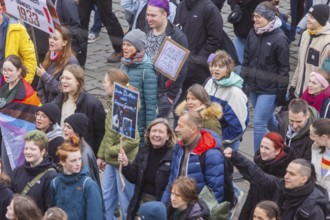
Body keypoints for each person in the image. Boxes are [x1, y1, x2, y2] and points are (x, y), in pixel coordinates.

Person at [223, 147, 330, 219]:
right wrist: (235, 156)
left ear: (303, 179)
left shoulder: (312, 209)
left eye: (292, 174)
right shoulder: (281, 185)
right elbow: (258, 175)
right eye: (287, 172)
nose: (286, 176)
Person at [241, 1, 290, 152]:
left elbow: (284, 68)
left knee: (259, 124)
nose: (255, 19)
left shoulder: (280, 39)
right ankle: (286, 137)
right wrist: (243, 79)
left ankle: (258, 161)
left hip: (270, 90)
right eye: (254, 16)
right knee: (268, 120)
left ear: (269, 18)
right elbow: (247, 57)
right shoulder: (253, 32)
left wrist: (281, 93)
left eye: (259, 17)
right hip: (254, 85)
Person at [97, 68, 139, 220]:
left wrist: (110, 151)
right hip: (111, 160)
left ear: (115, 86)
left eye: (106, 82)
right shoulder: (111, 103)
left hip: (124, 162)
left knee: (125, 201)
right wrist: (102, 155)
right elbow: (108, 134)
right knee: (106, 198)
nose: (103, 84)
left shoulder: (126, 108)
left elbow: (133, 140)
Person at [118, 118, 176, 220]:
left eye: (161, 132)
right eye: (153, 131)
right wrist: (126, 165)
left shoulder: (174, 156)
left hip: (161, 203)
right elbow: (134, 178)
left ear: (168, 136)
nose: (156, 134)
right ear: (148, 134)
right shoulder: (144, 151)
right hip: (141, 201)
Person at [161, 111, 225, 204]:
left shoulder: (211, 155)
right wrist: (164, 205)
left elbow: (215, 194)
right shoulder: (179, 147)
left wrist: (198, 215)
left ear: (193, 129)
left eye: (180, 126)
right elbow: (172, 180)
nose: (176, 129)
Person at [145, 0, 188, 118]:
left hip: (162, 93)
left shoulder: (177, 37)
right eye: (148, 15)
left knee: (156, 128)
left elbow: (181, 70)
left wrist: (170, 96)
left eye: (153, 15)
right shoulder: (147, 29)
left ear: (164, 14)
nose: (149, 18)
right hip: (145, 88)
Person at [239, 132, 296, 220]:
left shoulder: (285, 172)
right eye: (261, 146)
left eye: (267, 148)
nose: (262, 151)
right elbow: (251, 194)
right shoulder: (261, 162)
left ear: (277, 151)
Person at [52, 64, 106, 155]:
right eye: (62, 78)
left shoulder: (92, 104)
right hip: (63, 149)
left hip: (82, 152)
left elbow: (101, 133)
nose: (63, 81)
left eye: (68, 78)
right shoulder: (59, 99)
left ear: (78, 81)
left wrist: (99, 156)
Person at [173, 0, 224, 97]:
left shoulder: (210, 8)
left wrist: (198, 60)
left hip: (199, 70)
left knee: (197, 103)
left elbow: (215, 39)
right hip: (182, 67)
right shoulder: (181, 6)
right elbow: (176, 31)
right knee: (180, 107)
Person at [0, 55, 41, 174]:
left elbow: (31, 120)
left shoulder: (27, 94)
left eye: (10, 70)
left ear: (18, 71)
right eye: (4, 70)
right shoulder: (4, 86)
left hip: (15, 138)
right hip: (2, 132)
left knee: (8, 168)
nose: (6, 73)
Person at [204, 50, 249, 150]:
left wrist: (220, 139)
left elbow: (238, 127)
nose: (216, 69)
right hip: (207, 139)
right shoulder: (210, 82)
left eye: (220, 67)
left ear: (228, 69)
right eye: (214, 66)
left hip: (225, 144)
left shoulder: (235, 93)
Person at [120, 29, 157, 144]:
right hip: (123, 122)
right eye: (124, 44)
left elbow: (151, 105)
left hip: (138, 127)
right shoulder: (123, 65)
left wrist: (149, 131)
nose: (124, 48)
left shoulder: (147, 71)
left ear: (138, 48)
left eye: (129, 45)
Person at [50, 138, 103, 220]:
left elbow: (95, 216)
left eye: (79, 159)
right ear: (63, 162)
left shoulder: (88, 185)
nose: (78, 163)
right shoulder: (54, 183)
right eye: (73, 160)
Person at [11, 130, 57, 213]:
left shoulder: (51, 176)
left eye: (32, 149)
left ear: (43, 151)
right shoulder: (17, 171)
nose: (28, 152)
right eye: (26, 148)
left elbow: (50, 207)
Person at [289, 4, 330, 98]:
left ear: (320, 20)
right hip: (299, 91)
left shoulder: (327, 43)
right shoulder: (305, 34)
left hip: (314, 94)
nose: (307, 19)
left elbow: (324, 73)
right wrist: (293, 85)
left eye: (312, 17)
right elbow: (300, 64)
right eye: (308, 15)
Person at [36, 27, 79, 104]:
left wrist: (44, 75)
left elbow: (63, 88)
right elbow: (40, 86)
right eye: (50, 37)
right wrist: (44, 105)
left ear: (64, 43)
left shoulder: (71, 62)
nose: (51, 41)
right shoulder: (50, 54)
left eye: (55, 39)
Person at [0, 0, 37, 84]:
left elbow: (30, 58)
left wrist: (24, 84)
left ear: (1, 9)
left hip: (9, 85)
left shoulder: (17, 29)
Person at [63, 114, 100, 185]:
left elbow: (86, 180)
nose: (65, 129)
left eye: (69, 127)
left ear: (77, 131)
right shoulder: (69, 144)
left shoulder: (84, 153)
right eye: (64, 126)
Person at [310, 118, 330, 197]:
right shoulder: (316, 148)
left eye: (312, 135)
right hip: (317, 195)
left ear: (323, 137)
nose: (310, 137)